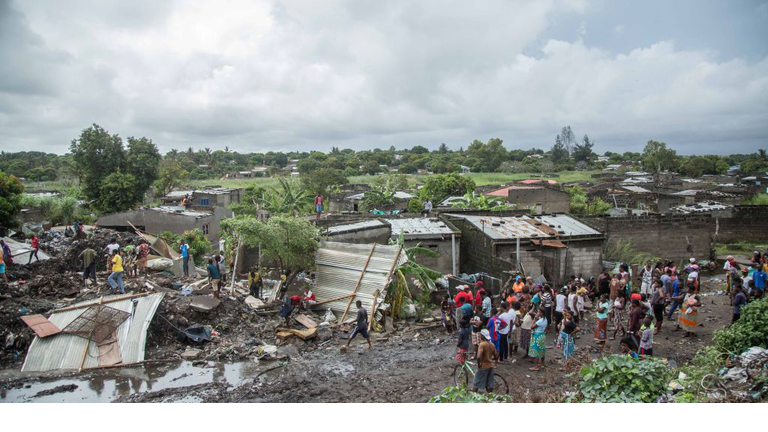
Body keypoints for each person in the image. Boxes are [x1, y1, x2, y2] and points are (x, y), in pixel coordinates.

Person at [472, 329, 498, 393]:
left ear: (482, 336)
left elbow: (478, 357)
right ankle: (490, 398)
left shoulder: (482, 344)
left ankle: (471, 398)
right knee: (489, 383)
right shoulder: (492, 344)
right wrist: (492, 360)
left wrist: (479, 365)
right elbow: (496, 356)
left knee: (476, 383)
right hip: (490, 366)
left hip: (483, 366)